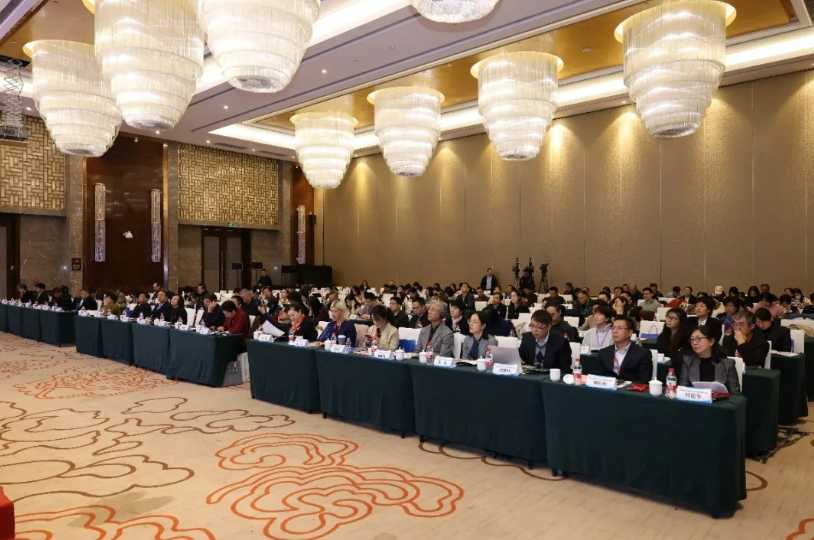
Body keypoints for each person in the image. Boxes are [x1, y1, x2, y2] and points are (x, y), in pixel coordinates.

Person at [678, 326, 740, 394]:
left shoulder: (727, 364)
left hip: (720, 400)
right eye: (692, 339)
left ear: (711, 341)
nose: (694, 343)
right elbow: (682, 390)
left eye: (699, 339)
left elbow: (735, 394)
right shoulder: (688, 362)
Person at [595, 316, 652, 383]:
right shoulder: (603, 352)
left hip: (630, 388)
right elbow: (598, 378)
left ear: (630, 332)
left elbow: (644, 381)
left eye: (619, 328)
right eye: (613, 328)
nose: (615, 331)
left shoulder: (643, 354)